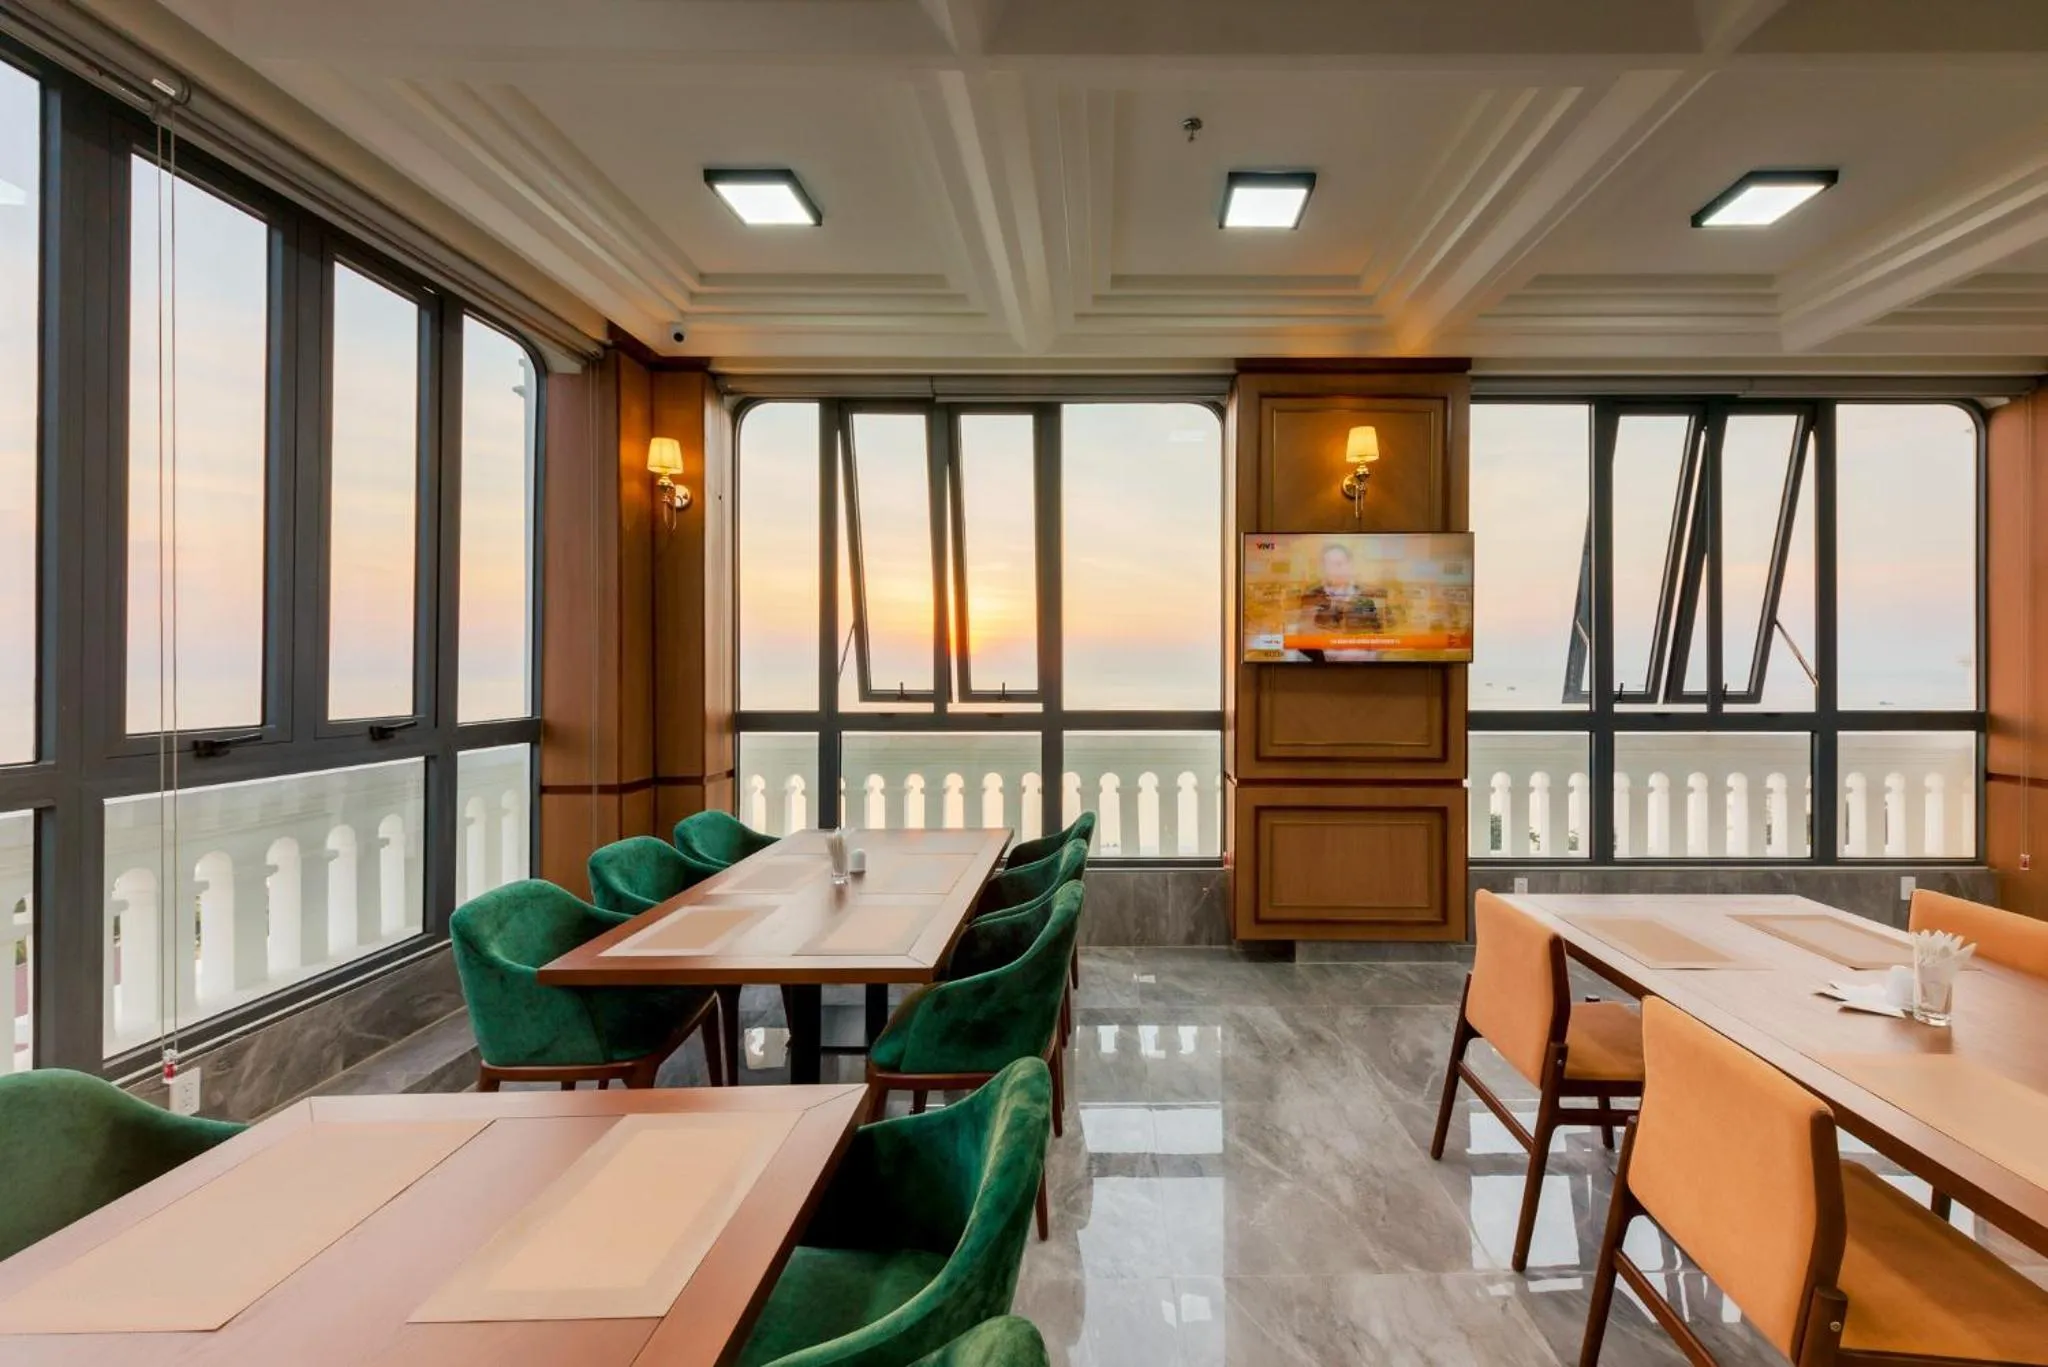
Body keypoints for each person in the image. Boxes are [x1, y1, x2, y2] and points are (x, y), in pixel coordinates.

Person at [1292, 541, 1384, 660]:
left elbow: (1378, 635)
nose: (1335, 570)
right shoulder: (1312, 597)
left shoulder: (1365, 600)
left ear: (1350, 566)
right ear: (1323, 569)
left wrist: (1370, 656)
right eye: (1329, 565)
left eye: (1340, 564)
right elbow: (1302, 640)